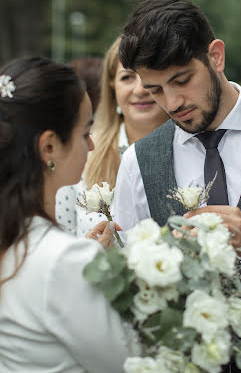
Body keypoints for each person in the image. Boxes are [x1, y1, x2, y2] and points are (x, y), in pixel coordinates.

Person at [113, 0, 241, 372]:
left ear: (215, 56)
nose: (172, 102)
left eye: (181, 80)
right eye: (155, 90)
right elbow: (134, 297)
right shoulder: (138, 163)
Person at [0, 57, 139, 372]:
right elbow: (128, 362)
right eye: (84, 131)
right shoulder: (61, 260)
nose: (91, 145)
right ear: (49, 147)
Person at [56, 36, 169, 238]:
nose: (139, 89)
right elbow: (58, 242)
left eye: (149, 76)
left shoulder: (194, 148)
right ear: (112, 86)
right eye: (127, 77)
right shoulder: (82, 152)